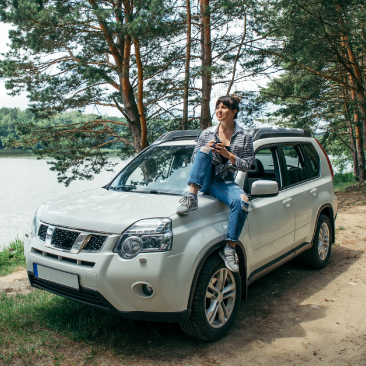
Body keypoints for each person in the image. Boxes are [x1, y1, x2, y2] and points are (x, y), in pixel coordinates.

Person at [177, 95, 254, 273]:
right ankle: (191, 197)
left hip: (224, 181)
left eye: (224, 107)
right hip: (203, 179)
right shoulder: (206, 133)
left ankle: (230, 248)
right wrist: (209, 149)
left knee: (243, 202)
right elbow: (194, 159)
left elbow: (248, 164)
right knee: (203, 150)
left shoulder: (244, 136)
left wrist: (229, 155)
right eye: (217, 107)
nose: (219, 110)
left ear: (234, 112)